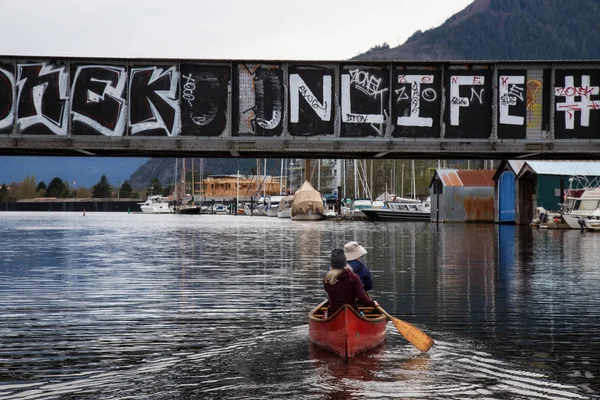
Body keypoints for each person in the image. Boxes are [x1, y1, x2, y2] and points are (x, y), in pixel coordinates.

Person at [324, 249, 378, 316]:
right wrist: (373, 303)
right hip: (352, 312)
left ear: (332, 264)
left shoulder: (327, 278)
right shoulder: (354, 277)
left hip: (334, 313)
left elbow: (328, 292)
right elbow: (362, 298)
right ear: (345, 263)